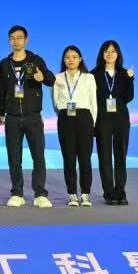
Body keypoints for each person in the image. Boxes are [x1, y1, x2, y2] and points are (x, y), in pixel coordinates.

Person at [0, 25, 55, 209]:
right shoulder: (5, 63)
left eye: (19, 37)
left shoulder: (36, 60)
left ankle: (40, 194)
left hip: (33, 116)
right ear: (9, 41)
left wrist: (42, 77)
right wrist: (0, 111)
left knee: (38, 156)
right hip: (12, 117)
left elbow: (51, 80)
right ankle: (17, 193)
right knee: (14, 158)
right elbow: (1, 89)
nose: (16, 41)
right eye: (12, 38)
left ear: (26, 40)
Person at [53, 45, 98, 207]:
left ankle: (85, 195)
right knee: (69, 159)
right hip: (65, 119)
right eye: (67, 57)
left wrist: (92, 123)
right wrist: (64, 115)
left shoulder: (89, 77)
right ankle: (72, 194)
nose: (71, 60)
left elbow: (93, 103)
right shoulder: (57, 78)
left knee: (85, 159)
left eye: (74, 57)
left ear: (80, 59)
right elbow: (56, 103)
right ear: (63, 60)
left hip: (85, 118)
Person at [92, 40, 135, 205]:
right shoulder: (93, 74)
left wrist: (130, 79)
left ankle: (120, 191)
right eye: (107, 51)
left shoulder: (124, 73)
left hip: (121, 119)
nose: (110, 54)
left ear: (118, 54)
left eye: (113, 51)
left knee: (120, 156)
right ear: (102, 54)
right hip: (102, 119)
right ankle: (109, 192)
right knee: (104, 156)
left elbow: (128, 97)